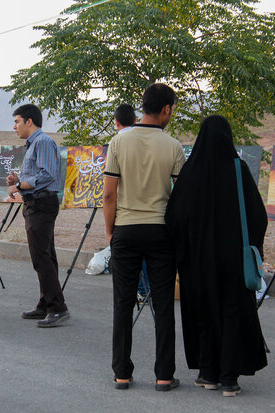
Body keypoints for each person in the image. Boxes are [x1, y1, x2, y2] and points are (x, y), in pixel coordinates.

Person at [165, 115, 268, 397]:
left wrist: (183, 249)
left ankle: (207, 372)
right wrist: (254, 246)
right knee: (232, 311)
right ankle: (229, 378)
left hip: (197, 261)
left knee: (202, 310)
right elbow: (258, 215)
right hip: (233, 259)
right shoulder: (239, 169)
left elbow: (174, 217)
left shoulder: (191, 172)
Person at [103, 84, 185, 390]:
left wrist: (111, 231)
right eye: (172, 110)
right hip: (161, 231)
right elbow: (180, 197)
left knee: (123, 303)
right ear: (166, 109)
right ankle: (164, 375)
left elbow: (109, 194)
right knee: (163, 304)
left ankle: (122, 373)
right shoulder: (174, 147)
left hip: (125, 228)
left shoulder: (118, 142)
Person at [6, 104, 69, 328]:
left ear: (29, 121)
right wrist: (18, 181)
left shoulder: (42, 142)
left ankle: (57, 307)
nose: (14, 126)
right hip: (36, 202)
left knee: (40, 257)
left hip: (42, 203)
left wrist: (19, 186)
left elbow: (47, 175)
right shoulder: (34, 144)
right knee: (46, 256)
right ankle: (45, 303)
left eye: (17, 121)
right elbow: (37, 174)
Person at [113, 104, 150, 300]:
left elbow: (111, 186)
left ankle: (138, 289)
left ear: (116, 122)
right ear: (135, 120)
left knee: (128, 252)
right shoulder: (144, 140)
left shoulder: (117, 142)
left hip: (125, 207)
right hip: (148, 204)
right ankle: (146, 288)